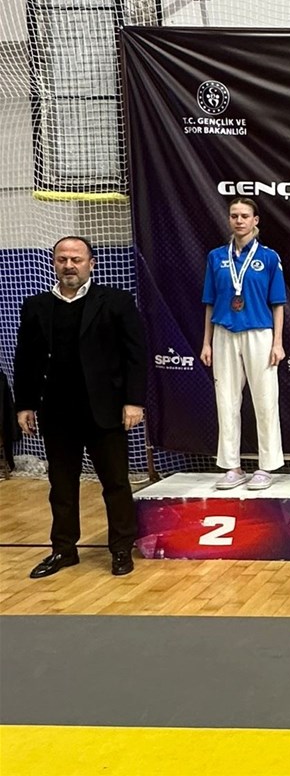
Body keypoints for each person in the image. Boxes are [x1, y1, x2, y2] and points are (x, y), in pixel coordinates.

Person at [14, 236, 146, 578]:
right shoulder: (36, 306)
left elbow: (135, 355)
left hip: (106, 410)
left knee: (115, 483)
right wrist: (25, 404)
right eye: (62, 259)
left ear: (91, 263)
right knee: (61, 486)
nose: (69, 265)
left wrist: (134, 401)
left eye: (76, 259)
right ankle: (63, 550)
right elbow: (26, 359)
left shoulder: (116, 302)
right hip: (57, 413)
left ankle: (121, 548)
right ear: (54, 264)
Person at [200, 198, 286, 490]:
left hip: (259, 333)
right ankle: (232, 466)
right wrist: (207, 342)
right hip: (224, 332)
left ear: (255, 220)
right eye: (234, 215)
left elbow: (278, 303)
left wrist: (278, 343)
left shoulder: (269, 257)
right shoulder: (216, 257)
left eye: (244, 216)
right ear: (229, 219)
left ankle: (266, 466)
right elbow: (210, 302)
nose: (239, 220)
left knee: (265, 399)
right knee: (226, 401)